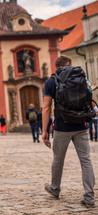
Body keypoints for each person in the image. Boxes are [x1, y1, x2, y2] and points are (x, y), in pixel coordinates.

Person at [42, 55, 95, 209]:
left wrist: (44, 130)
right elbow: (90, 100)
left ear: (56, 67)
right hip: (81, 125)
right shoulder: (82, 79)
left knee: (58, 159)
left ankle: (55, 188)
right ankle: (89, 197)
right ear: (69, 64)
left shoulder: (51, 81)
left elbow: (46, 107)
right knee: (86, 160)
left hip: (62, 125)